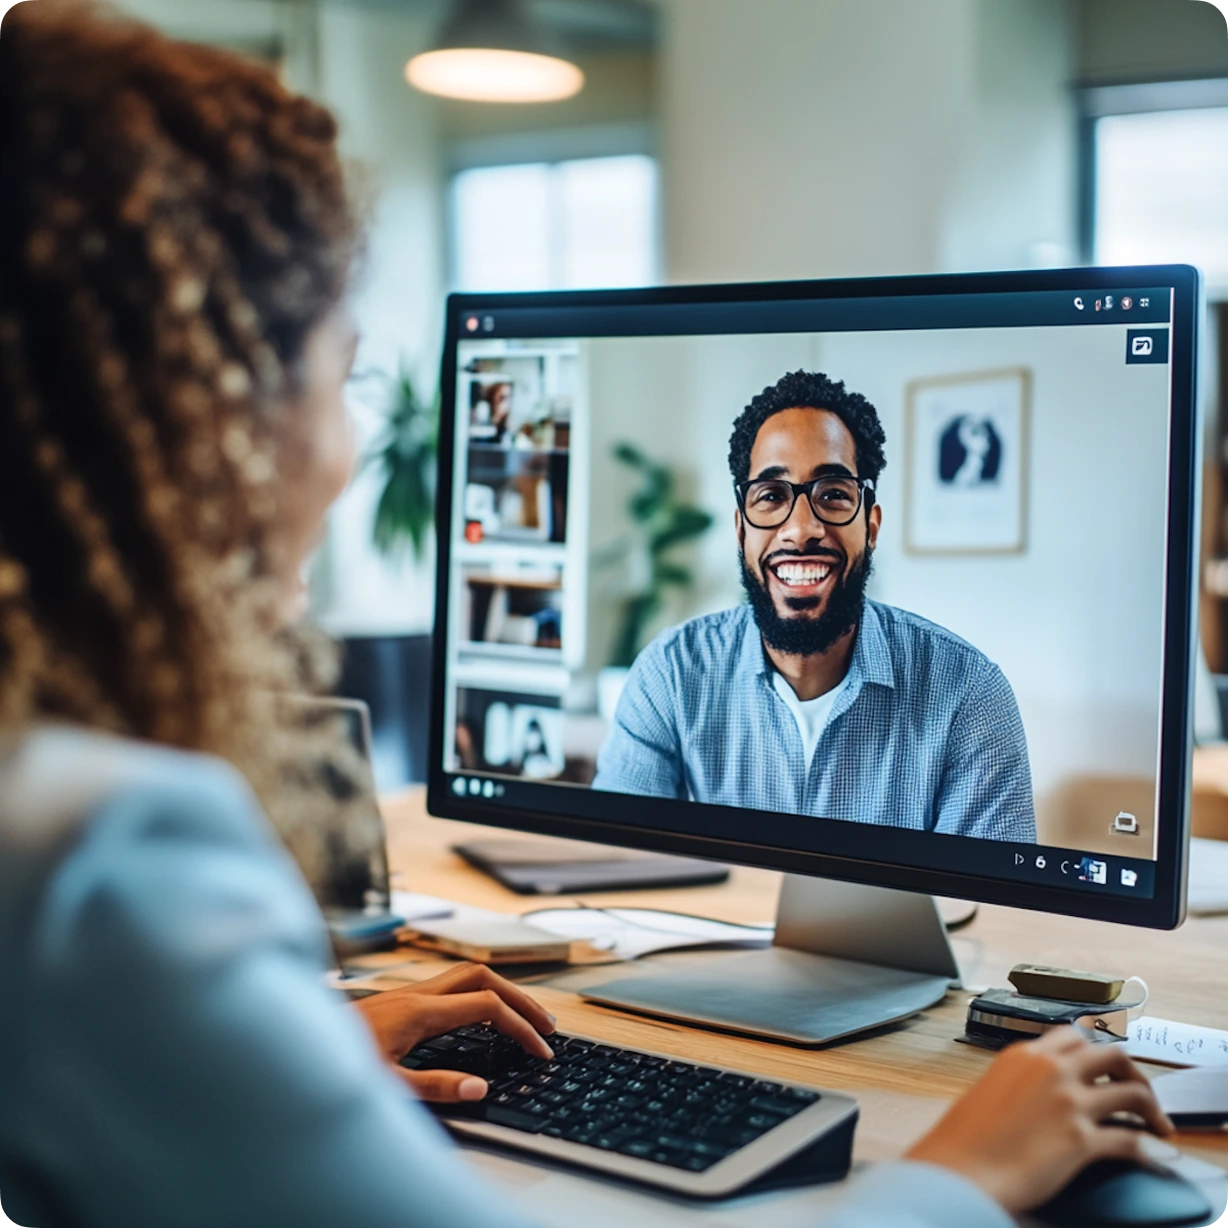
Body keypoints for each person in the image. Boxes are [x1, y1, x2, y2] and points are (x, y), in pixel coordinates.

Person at [0, 5, 1169, 1227]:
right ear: (203, 415)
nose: (348, 450)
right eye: (340, 374)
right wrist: (960, 1174)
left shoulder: (963, 686)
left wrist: (293, 1047)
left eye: (834, 494)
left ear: (873, 518)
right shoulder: (108, 864)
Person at [595, 370, 1036, 842]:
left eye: (832, 495)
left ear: (870, 524)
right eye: (771, 496)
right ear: (741, 528)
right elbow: (614, 865)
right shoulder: (670, 676)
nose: (800, 528)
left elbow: (986, 911)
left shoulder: (969, 695)